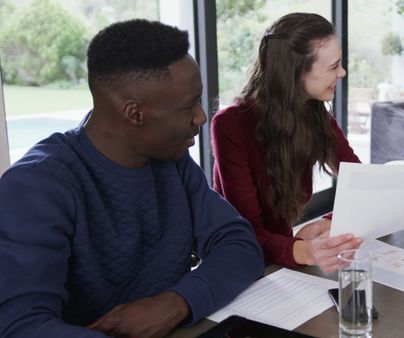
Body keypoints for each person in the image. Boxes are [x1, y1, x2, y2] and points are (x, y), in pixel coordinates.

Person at [0, 19, 264, 338]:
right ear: (134, 114)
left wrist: (177, 302)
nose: (201, 117)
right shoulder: (36, 186)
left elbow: (239, 244)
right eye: (188, 106)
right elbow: (20, 325)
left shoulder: (172, 160)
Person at [211, 13, 361, 272]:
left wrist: (329, 222)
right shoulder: (230, 125)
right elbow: (248, 231)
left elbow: (361, 183)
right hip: (236, 259)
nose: (342, 72)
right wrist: (306, 251)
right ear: (293, 73)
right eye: (333, 66)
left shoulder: (314, 113)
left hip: (282, 257)